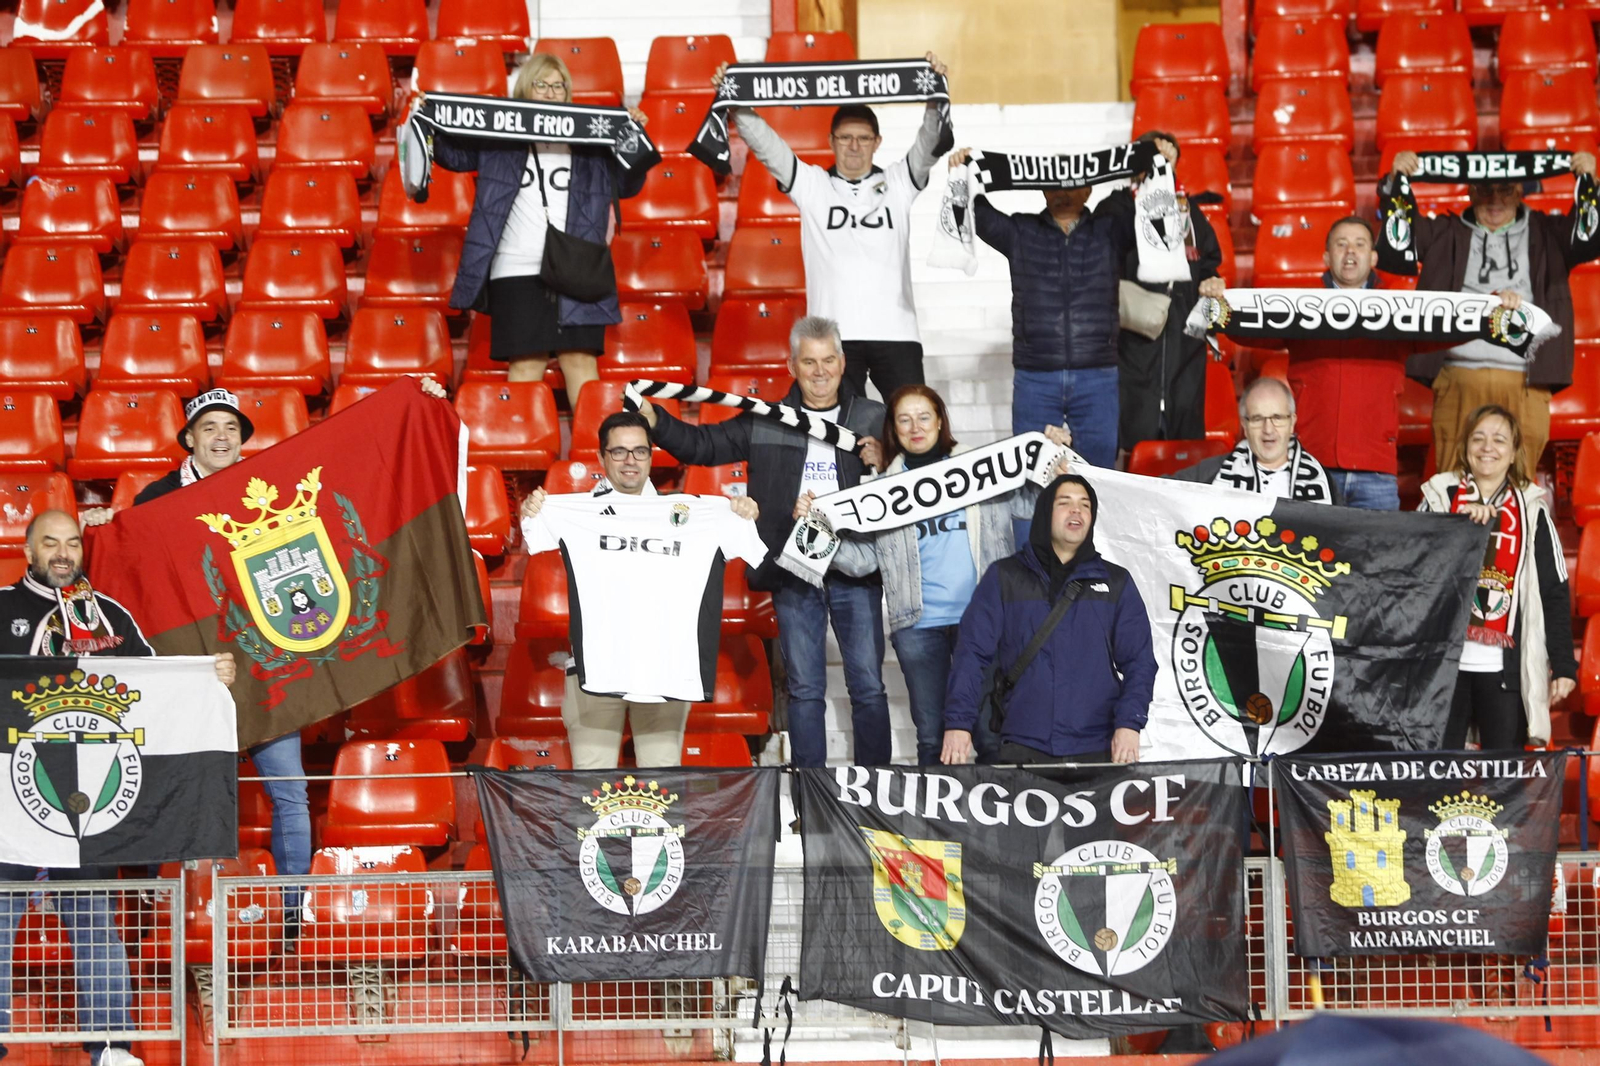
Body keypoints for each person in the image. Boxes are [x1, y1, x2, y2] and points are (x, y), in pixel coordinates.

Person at [80, 382, 443, 932]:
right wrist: (103, 531)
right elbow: (134, 573)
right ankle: (172, 915)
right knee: (178, 793)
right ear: (189, 439)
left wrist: (417, 398)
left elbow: (348, 461)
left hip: (269, 667)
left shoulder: (263, 484)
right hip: (194, 678)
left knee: (289, 793)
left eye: (231, 429)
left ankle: (293, 911)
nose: (221, 438)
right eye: (209, 429)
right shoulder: (155, 501)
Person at [0, 510, 235, 1066]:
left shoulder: (107, 614)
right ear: (28, 551)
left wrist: (207, 678)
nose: (63, 553)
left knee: (94, 922)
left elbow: (154, 687)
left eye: (73, 544)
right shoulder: (0, 607)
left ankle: (110, 1045)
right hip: (13, 796)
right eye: (50, 543)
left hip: (86, 797)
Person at [638, 315, 891, 767]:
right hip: (793, 568)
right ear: (791, 365)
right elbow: (702, 446)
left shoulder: (872, 417)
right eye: (809, 361)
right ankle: (811, 791)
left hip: (855, 566)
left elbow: (908, 474)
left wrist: (885, 456)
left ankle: (876, 792)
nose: (820, 371)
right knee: (806, 689)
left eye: (828, 360)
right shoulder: (770, 419)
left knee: (869, 686)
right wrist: (657, 419)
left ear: (842, 362)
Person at [797, 385, 1072, 765]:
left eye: (924, 417)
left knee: (993, 736)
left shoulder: (983, 470)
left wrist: (1052, 459)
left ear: (940, 420)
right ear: (893, 428)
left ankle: (1001, 824)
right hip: (917, 627)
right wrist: (815, 532)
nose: (916, 427)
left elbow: (1030, 503)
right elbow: (864, 560)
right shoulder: (880, 490)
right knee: (931, 739)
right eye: (904, 419)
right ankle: (936, 826)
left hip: (983, 623)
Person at [518, 411, 760, 768]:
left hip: (665, 669)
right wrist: (532, 512)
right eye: (618, 452)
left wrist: (739, 513)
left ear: (651, 455)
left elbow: (750, 548)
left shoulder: (691, 513)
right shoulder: (574, 511)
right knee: (591, 791)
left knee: (661, 792)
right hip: (594, 671)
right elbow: (534, 538)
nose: (630, 461)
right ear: (601, 458)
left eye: (639, 451)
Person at [712, 54, 949, 401]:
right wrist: (734, 101)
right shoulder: (812, 184)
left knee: (915, 420)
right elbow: (767, 146)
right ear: (831, 140)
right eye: (845, 137)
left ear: (877, 142)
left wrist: (934, 94)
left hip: (897, 333)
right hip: (832, 338)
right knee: (841, 435)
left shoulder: (899, 181)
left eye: (864, 138)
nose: (854, 146)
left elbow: (930, 143)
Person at [430, 53, 652, 408]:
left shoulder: (589, 139)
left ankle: (590, 454)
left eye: (558, 86)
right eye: (541, 84)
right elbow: (454, 156)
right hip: (515, 269)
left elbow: (627, 184)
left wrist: (633, 140)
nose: (550, 93)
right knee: (525, 366)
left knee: (580, 362)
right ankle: (521, 457)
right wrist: (427, 118)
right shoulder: (499, 136)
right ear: (524, 90)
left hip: (578, 266)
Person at [1388, 149, 1600, 469]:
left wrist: (1590, 183)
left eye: (1504, 189)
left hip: (1527, 381)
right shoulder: (1446, 231)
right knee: (1452, 488)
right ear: (1471, 192)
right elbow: (1400, 236)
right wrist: (1396, 181)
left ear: (1519, 191)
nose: (1494, 199)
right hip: (1458, 377)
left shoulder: (1548, 232)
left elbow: (1588, 234)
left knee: (1519, 490)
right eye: (1485, 190)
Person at [941, 475, 1156, 765]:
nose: (1076, 511)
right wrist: (958, 723)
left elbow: (1140, 662)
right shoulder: (1004, 577)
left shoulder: (1117, 582)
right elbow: (971, 654)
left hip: (1098, 747)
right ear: (1044, 513)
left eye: (1085, 505)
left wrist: (1129, 723)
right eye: (1064, 503)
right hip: (1023, 744)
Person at [944, 144, 1132, 469]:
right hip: (1036, 377)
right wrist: (962, 175)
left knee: (1100, 476)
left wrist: (1160, 167)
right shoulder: (1021, 230)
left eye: (1072, 184)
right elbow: (977, 215)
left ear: (1088, 189)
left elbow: (1153, 209)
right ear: (1042, 189)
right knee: (1031, 475)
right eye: (1054, 184)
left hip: (1097, 374)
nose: (1063, 192)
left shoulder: (1111, 231)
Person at [1419, 405, 1576, 749]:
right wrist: (1455, 525)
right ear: (1465, 447)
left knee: (1502, 785)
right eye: (1479, 438)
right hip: (1445, 668)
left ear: (1514, 452)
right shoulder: (1439, 499)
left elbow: (1554, 592)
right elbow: (1413, 568)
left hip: (1505, 672)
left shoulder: (1532, 510)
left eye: (1499, 439)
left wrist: (1564, 665)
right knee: (1437, 778)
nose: (1487, 447)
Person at [1094, 131, 1227, 454]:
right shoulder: (1117, 207)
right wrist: (1148, 190)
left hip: (1185, 353)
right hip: (1133, 349)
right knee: (1134, 450)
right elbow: (1104, 245)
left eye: (1167, 162)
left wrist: (1212, 282)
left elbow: (1208, 262)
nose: (1160, 167)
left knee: (1184, 457)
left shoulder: (1188, 212)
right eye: (1151, 160)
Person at [1172, 376, 1341, 504]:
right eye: (1257, 419)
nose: (1268, 429)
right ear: (1244, 425)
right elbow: (1155, 493)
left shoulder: (1323, 480)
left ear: (1292, 423)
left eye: (1277, 418)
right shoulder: (1211, 472)